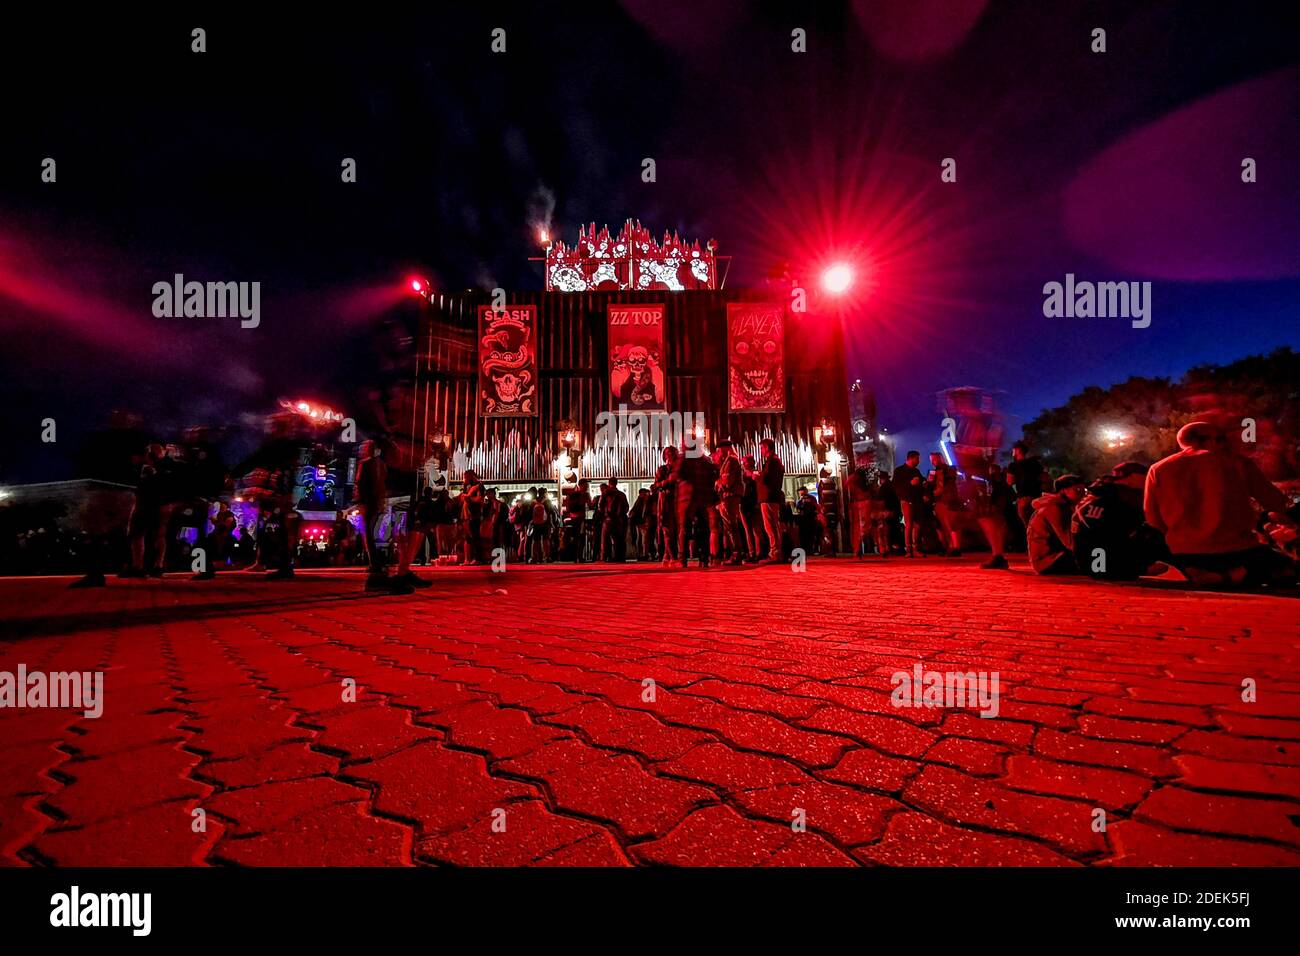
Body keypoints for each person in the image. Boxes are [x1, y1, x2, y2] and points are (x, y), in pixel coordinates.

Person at [1144, 421, 1296, 586]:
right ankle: (1233, 575)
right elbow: (1275, 502)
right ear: (1211, 440)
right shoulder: (1237, 463)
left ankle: (1209, 575)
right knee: (1289, 569)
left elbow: (1153, 519)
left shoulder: (1158, 469)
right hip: (1238, 550)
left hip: (1184, 552)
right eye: (1222, 439)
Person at [1072, 461, 1166, 580]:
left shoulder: (1097, 492)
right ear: (1134, 477)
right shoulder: (1124, 495)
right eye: (1145, 476)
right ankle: (1190, 569)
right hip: (1106, 566)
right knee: (1156, 532)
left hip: (1090, 565)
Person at [355, 440, 412, 593]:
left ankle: (374, 563)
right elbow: (383, 484)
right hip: (378, 501)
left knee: (368, 533)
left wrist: (359, 501)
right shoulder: (382, 464)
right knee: (373, 532)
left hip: (369, 502)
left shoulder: (365, 464)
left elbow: (360, 484)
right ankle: (376, 563)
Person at [1027, 474, 1087, 574]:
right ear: (1063, 491)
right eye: (1077, 490)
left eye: (1083, 490)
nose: (1082, 494)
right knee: (1097, 559)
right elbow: (1070, 543)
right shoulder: (1054, 508)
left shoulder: (1065, 506)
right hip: (1048, 561)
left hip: (1057, 556)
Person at [674, 442, 718, 568]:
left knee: (684, 528)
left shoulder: (684, 458)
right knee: (703, 528)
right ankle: (704, 558)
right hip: (703, 498)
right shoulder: (705, 460)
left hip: (687, 498)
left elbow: (678, 475)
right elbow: (714, 474)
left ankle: (682, 559)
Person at [973, 463, 1011, 569]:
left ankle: (997, 555)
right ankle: (998, 555)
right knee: (994, 527)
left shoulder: (995, 482)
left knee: (991, 526)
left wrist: (991, 505)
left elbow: (995, 493)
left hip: (996, 507)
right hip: (1000, 506)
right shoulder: (1000, 481)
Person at [711, 443, 744, 565]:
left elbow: (727, 481)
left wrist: (718, 482)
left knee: (731, 526)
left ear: (725, 449)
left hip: (729, 496)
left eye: (719, 450)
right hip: (728, 496)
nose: (718, 452)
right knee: (729, 527)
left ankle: (736, 554)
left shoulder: (731, 460)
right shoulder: (729, 461)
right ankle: (734, 553)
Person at [927, 452, 963, 557]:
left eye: (933, 459)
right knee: (950, 524)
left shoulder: (940, 470)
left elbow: (940, 486)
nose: (932, 461)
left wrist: (932, 493)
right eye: (931, 459)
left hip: (945, 500)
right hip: (948, 499)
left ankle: (954, 547)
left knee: (950, 524)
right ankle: (954, 546)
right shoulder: (949, 470)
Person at [756, 438, 785, 563]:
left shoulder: (771, 461)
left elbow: (767, 478)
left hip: (768, 497)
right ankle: (776, 551)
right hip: (772, 496)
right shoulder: (775, 461)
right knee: (774, 525)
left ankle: (775, 552)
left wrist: (757, 476)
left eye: (762, 448)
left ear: (767, 447)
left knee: (770, 526)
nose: (761, 451)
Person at [892, 451, 926, 558]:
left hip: (917, 500)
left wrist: (924, 483)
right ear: (911, 458)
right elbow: (896, 486)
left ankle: (916, 548)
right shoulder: (899, 471)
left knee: (917, 524)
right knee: (909, 524)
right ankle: (909, 549)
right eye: (917, 459)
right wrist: (910, 484)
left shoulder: (916, 471)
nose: (919, 461)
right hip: (906, 500)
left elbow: (921, 482)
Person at [1007, 441, 1046, 534]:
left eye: (1013, 450)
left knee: (1029, 526)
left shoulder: (1013, 465)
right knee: (1040, 523)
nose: (1012, 452)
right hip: (1038, 498)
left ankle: (1033, 544)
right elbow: (1044, 478)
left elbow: (1010, 482)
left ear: (1018, 451)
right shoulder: (1035, 463)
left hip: (1024, 498)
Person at [652, 447, 679, 566]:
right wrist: (667, 482)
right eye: (668, 454)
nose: (670, 456)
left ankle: (667, 555)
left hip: (677, 500)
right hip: (666, 501)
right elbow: (656, 485)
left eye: (672, 453)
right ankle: (672, 555)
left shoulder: (679, 469)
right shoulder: (662, 469)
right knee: (667, 529)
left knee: (676, 530)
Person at [601, 476, 630, 562]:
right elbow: (626, 508)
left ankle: (606, 557)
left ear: (609, 483)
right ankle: (619, 557)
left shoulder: (606, 493)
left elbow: (600, 506)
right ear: (616, 483)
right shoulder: (621, 494)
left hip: (608, 519)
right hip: (619, 520)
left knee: (605, 539)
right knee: (619, 539)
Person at [739, 454, 761, 562]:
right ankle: (752, 552)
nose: (743, 464)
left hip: (752, 503)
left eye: (745, 462)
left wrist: (758, 502)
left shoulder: (754, 474)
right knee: (748, 530)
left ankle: (757, 552)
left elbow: (757, 488)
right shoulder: (742, 475)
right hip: (744, 503)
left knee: (755, 529)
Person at [846, 464, 872, 559]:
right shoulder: (863, 486)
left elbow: (847, 483)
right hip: (863, 504)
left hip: (858, 504)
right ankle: (858, 549)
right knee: (863, 527)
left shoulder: (853, 482)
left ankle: (857, 549)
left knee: (858, 528)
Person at [564, 479, 592, 562]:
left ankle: (574, 557)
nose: (587, 487)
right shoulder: (585, 495)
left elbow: (567, 507)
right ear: (582, 485)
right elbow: (590, 505)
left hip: (573, 517)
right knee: (581, 537)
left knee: (575, 537)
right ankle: (580, 556)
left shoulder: (571, 494)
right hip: (581, 518)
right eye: (586, 485)